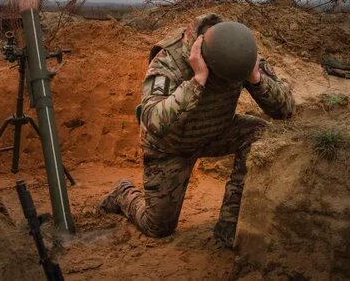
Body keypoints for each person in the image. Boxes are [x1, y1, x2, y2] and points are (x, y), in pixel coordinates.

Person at [99, 13, 295, 248]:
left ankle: (228, 225)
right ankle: (123, 192)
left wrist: (255, 78)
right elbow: (152, 122)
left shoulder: (237, 53)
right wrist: (198, 80)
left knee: (258, 131)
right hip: (170, 146)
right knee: (158, 227)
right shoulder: (168, 61)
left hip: (216, 132)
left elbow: (286, 109)